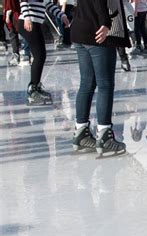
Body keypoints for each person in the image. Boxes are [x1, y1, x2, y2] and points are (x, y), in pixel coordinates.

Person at [70, 0, 131, 156]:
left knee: (86, 84)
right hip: (97, 32)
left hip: (80, 30)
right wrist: (105, 23)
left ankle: (81, 131)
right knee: (105, 85)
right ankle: (104, 135)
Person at [18, 0, 70, 106]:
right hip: (28, 21)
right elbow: (23, 1)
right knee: (39, 56)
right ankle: (33, 91)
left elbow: (49, 5)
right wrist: (27, 17)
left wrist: (62, 15)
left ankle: (36, 86)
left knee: (41, 55)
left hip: (36, 23)